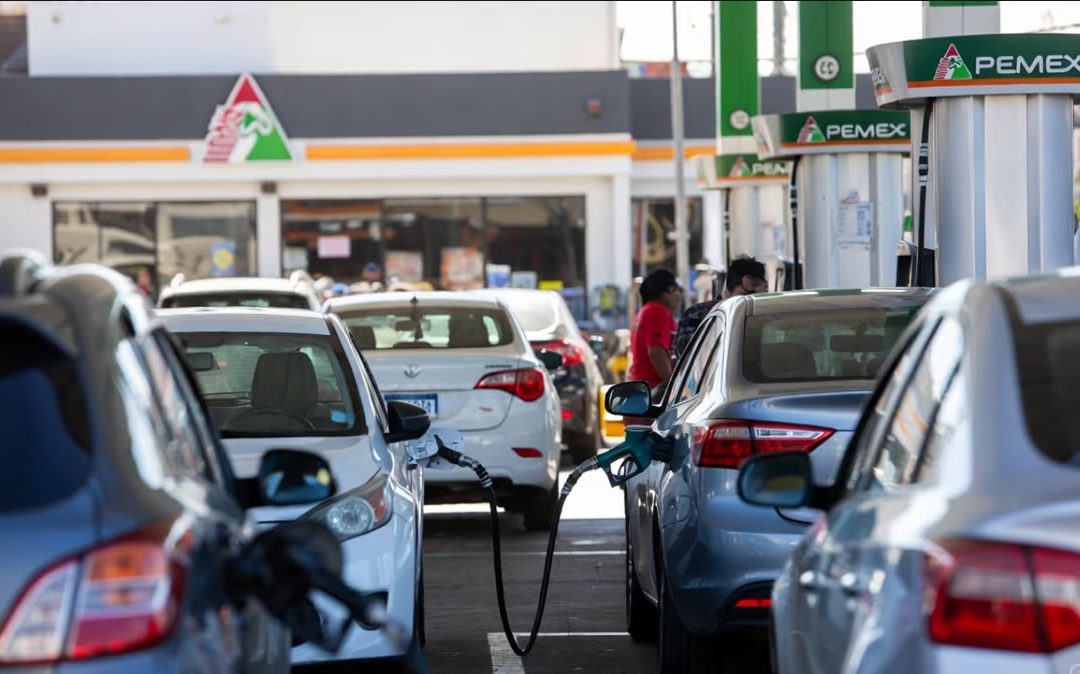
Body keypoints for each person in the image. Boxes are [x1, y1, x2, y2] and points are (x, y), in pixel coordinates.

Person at [673, 255, 768, 360]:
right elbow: (685, 356)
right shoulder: (696, 315)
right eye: (743, 296)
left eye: (757, 297)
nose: (749, 302)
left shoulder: (770, 318)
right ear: (728, 292)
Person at [628, 268, 682, 396]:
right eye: (677, 291)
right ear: (666, 292)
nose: (678, 296)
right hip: (654, 392)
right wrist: (673, 388)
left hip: (643, 391)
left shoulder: (647, 311)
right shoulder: (656, 311)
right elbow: (656, 351)